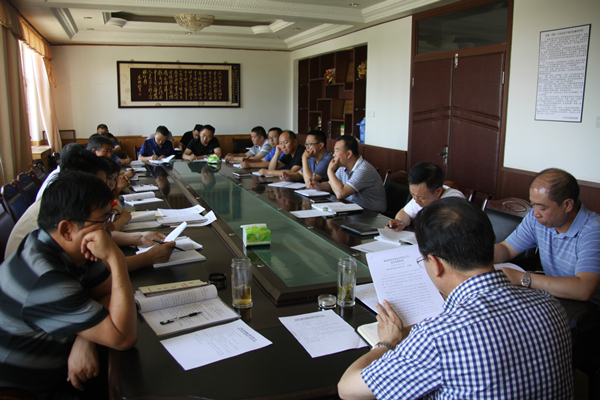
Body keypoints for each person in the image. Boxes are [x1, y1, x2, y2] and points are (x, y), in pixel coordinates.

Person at [338, 197, 573, 399]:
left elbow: (348, 389)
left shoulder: (438, 337)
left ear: (436, 264)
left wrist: (386, 343)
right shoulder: (550, 305)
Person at [0, 171, 138, 397]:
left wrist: (85, 337)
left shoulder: (60, 243)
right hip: (33, 390)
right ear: (66, 229)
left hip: (62, 364)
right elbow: (123, 338)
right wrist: (117, 259)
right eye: (103, 221)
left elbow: (107, 293)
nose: (110, 228)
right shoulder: (45, 277)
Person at [494, 168, 600, 304]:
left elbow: (584, 289)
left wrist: (523, 278)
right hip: (553, 296)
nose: (535, 213)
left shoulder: (593, 230)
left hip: (587, 308)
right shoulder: (537, 219)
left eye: (542, 208)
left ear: (567, 205)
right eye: (533, 205)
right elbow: (507, 249)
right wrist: (475, 260)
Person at [310, 135, 386, 213]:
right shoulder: (343, 167)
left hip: (371, 214)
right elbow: (332, 184)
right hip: (353, 210)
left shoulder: (363, 170)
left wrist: (330, 170)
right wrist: (318, 186)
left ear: (349, 154)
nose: (334, 155)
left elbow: (340, 193)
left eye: (336, 151)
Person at [386, 161, 464, 231]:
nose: (416, 201)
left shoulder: (454, 201)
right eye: (413, 195)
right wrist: (400, 222)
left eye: (422, 197)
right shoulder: (421, 195)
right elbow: (404, 212)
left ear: (438, 192)